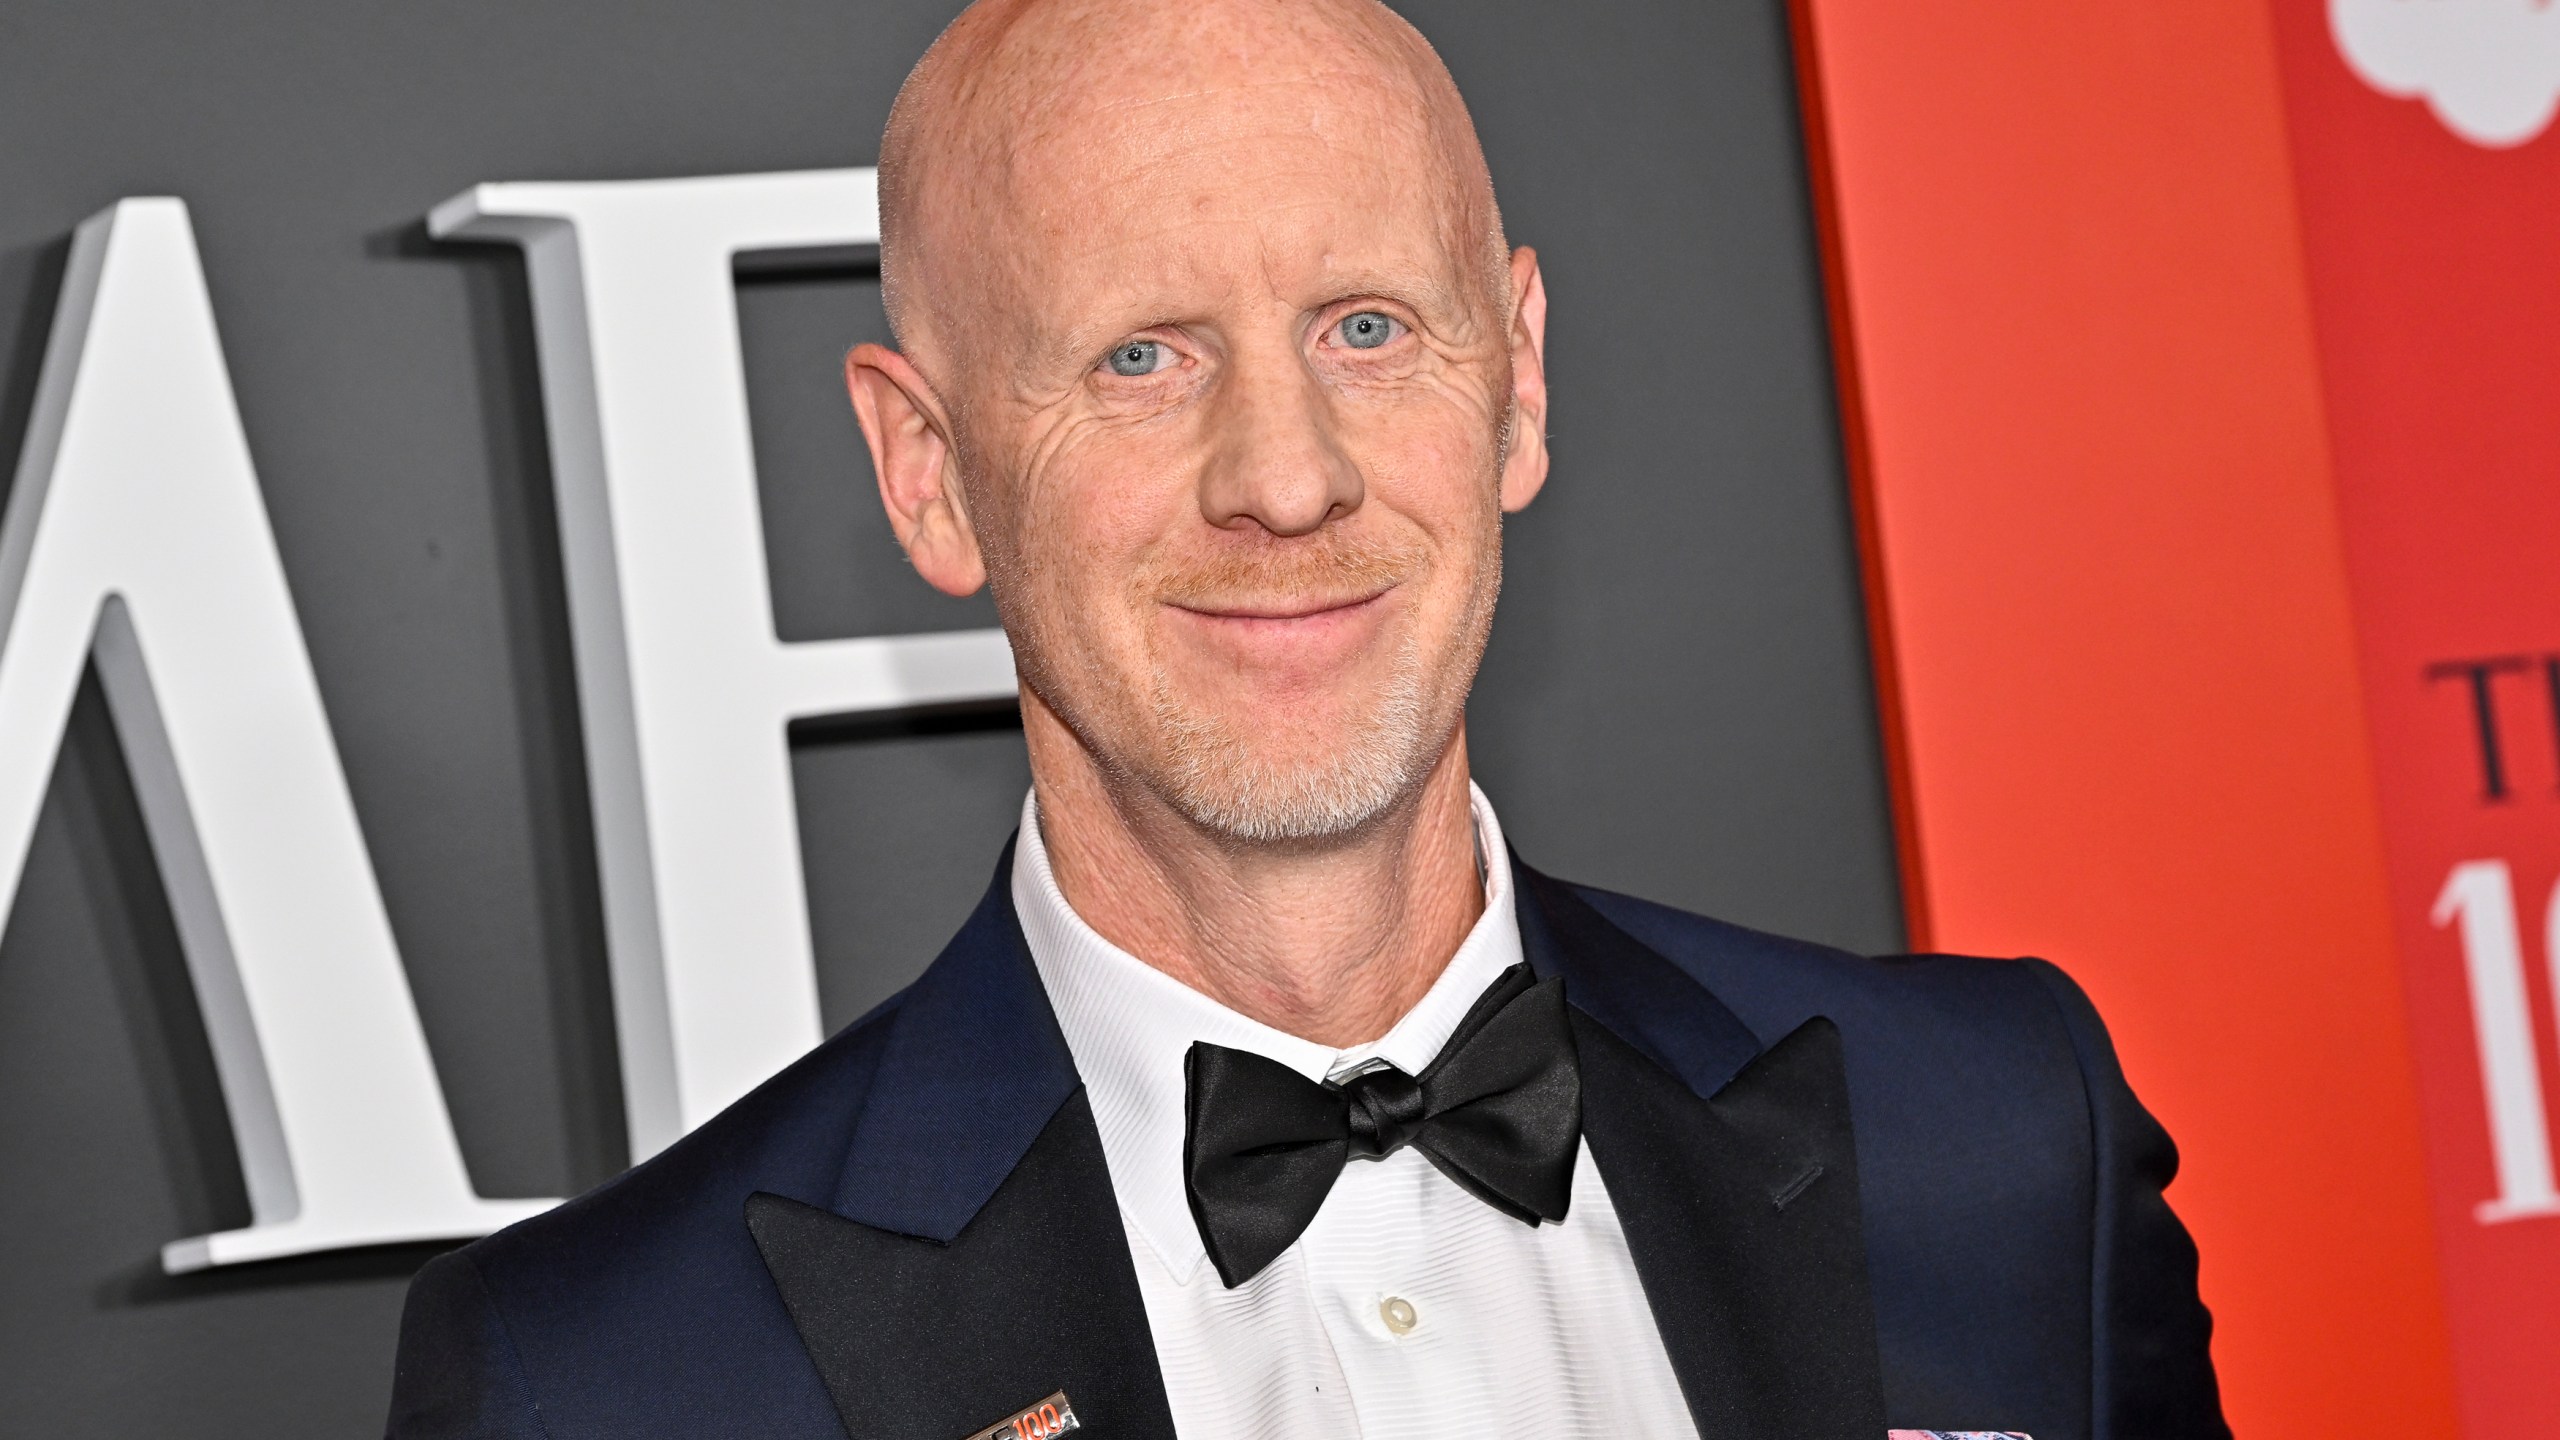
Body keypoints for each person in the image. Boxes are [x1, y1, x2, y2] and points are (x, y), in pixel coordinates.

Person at [386, 0, 2227, 1436]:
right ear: (931, 474)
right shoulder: (618, 1385)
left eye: (1364, 330)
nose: (1285, 478)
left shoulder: (1994, 1141)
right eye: (1141, 357)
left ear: (1514, 382)